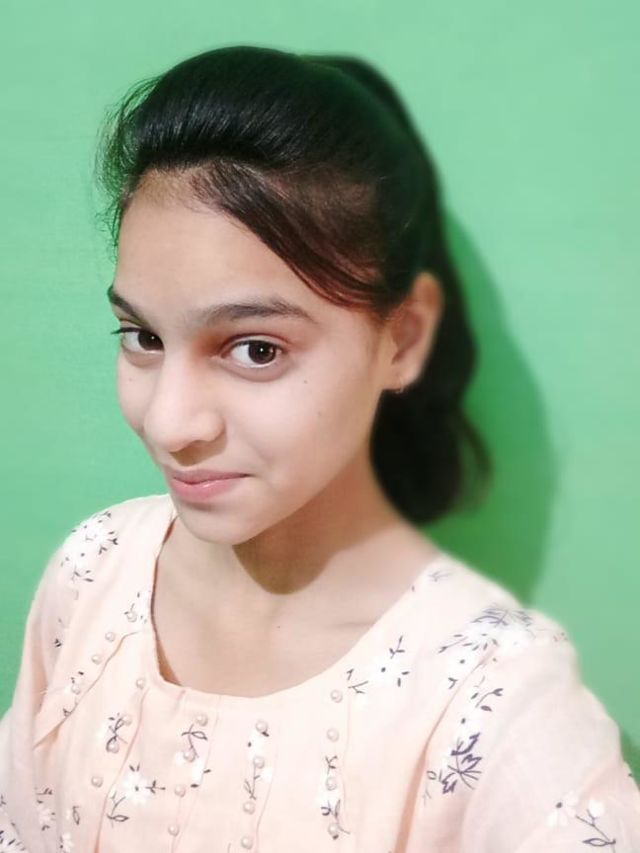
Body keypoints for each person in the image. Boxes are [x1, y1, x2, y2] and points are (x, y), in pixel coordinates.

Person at [1, 44, 638, 853]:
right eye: (143, 336)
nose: (169, 421)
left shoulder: (495, 698)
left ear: (403, 338)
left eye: (255, 349)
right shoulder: (95, 571)